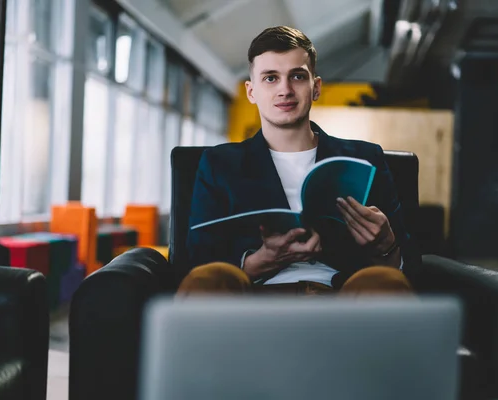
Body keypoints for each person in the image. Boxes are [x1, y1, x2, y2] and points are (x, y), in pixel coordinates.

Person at [180, 26, 420, 296]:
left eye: (297, 76)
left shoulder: (366, 159)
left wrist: (386, 245)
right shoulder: (219, 163)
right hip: (253, 294)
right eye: (270, 78)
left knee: (387, 284)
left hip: (344, 294)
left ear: (315, 87)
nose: (285, 89)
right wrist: (259, 262)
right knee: (207, 280)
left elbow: (409, 266)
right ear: (251, 91)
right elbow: (196, 260)